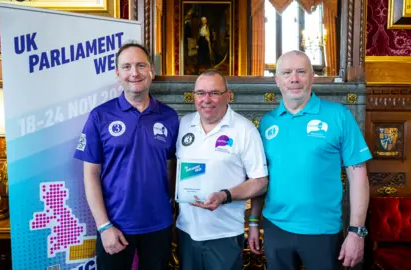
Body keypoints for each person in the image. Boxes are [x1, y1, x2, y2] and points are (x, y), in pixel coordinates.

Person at [249, 50, 372, 270]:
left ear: (312, 77)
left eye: (301, 71)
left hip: (323, 232)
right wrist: (254, 222)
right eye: (287, 73)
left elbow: (359, 177)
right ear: (277, 80)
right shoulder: (267, 123)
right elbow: (260, 179)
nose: (294, 78)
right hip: (276, 229)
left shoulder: (339, 115)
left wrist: (356, 232)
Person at [74, 42, 179, 270]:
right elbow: (90, 175)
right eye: (127, 66)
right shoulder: (100, 116)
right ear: (118, 73)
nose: (135, 73)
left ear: (151, 70)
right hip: (115, 226)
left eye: (141, 65)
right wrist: (103, 226)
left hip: (159, 226)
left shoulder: (170, 117)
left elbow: (172, 168)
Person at [175, 69, 269, 270]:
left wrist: (224, 195)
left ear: (228, 95)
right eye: (200, 93)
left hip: (224, 235)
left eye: (214, 93)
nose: (206, 99)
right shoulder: (183, 124)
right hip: (186, 232)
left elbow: (260, 182)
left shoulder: (245, 130)